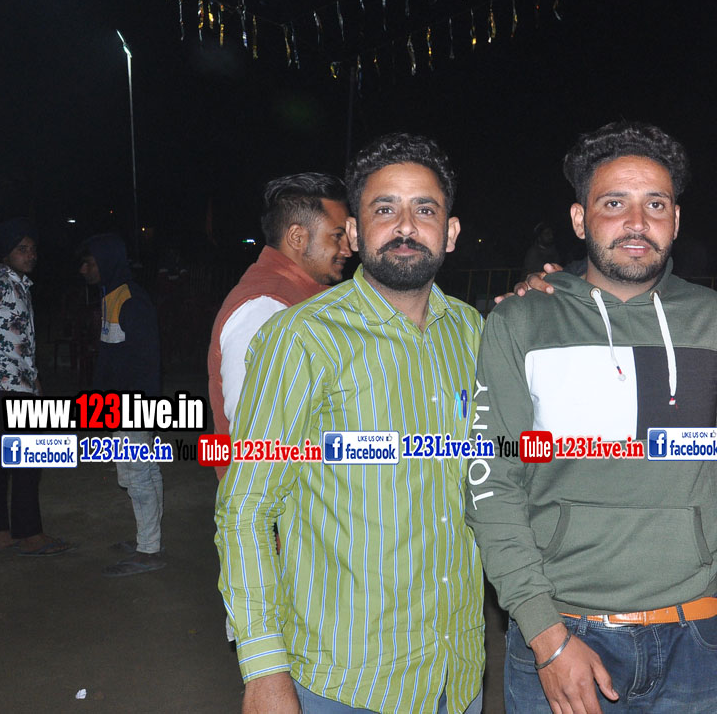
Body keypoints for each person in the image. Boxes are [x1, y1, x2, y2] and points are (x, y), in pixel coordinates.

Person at [466, 122, 717, 714]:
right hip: (562, 631)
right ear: (580, 220)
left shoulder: (713, 319)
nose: (636, 222)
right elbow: (491, 482)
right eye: (613, 204)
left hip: (693, 633)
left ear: (675, 220)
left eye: (655, 204)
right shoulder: (521, 322)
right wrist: (546, 635)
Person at [215, 133, 484, 714]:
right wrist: (263, 668)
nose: (405, 226)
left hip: (456, 671)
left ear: (451, 232)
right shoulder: (300, 338)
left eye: (425, 210)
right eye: (385, 209)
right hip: (347, 678)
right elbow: (246, 508)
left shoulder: (473, 334)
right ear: (356, 234)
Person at [207, 172, 351, 476]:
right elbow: (256, 439)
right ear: (297, 237)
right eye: (337, 236)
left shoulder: (300, 297)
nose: (347, 249)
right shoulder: (265, 307)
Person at [78, 233, 164, 576]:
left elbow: (145, 362)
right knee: (147, 471)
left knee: (135, 475)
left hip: (133, 405)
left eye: (90, 263)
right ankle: (150, 540)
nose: (84, 269)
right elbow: (112, 360)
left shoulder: (130, 300)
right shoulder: (112, 296)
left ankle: (149, 550)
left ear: (107, 262)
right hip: (127, 403)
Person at [0, 218, 73, 556]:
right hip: (8, 385)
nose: (30, 255)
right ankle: (29, 534)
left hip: (19, 383)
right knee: (26, 462)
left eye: (32, 249)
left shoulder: (19, 284)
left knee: (4, 463)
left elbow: (23, 342)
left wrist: (35, 378)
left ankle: (2, 533)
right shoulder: (3, 283)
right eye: (22, 249)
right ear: (6, 253)